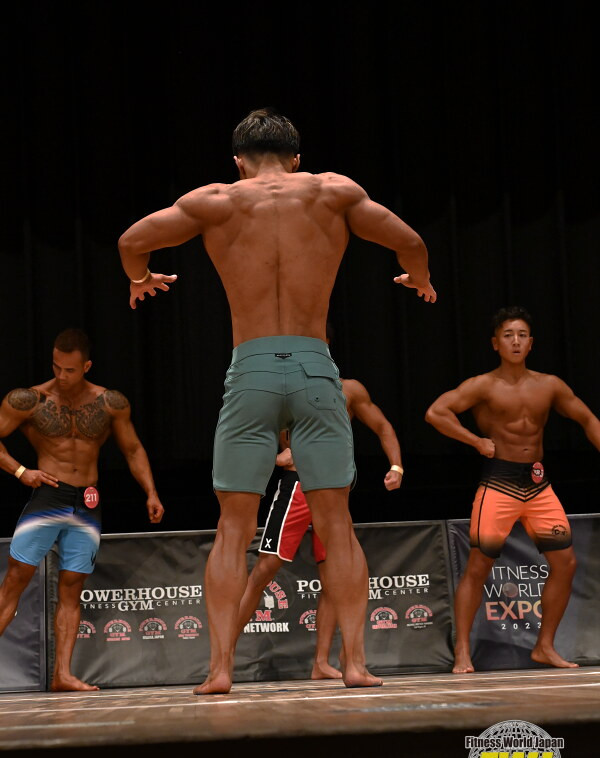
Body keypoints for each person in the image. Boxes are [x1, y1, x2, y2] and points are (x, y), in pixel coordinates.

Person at [118, 108, 436, 694]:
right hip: (316, 369)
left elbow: (131, 241)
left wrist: (140, 278)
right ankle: (356, 665)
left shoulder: (217, 200)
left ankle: (219, 670)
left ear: (238, 162)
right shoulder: (333, 192)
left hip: (252, 372)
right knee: (337, 525)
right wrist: (417, 277)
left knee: (232, 529)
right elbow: (411, 242)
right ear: (296, 159)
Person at [425, 306, 600, 673]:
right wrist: (475, 441)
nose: (516, 341)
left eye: (522, 335)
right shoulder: (483, 385)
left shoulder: (549, 385)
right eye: (508, 335)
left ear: (531, 343)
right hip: (498, 484)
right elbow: (436, 412)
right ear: (496, 343)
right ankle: (462, 652)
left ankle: (544, 646)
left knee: (566, 563)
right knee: (479, 565)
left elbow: (587, 419)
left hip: (538, 485)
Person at [0, 329, 164, 691]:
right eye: (56, 367)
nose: (62, 376)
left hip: (87, 504)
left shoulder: (110, 403)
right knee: (15, 580)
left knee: (72, 587)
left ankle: (63, 675)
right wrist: (22, 471)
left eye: (70, 370)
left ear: (87, 366)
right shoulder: (29, 400)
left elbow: (133, 449)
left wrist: (151, 492)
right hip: (48, 496)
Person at [238, 376, 403, 680]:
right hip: (298, 487)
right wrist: (275, 456)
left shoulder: (349, 389)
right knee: (264, 571)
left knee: (334, 578)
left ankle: (321, 663)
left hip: (334, 491)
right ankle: (222, 657)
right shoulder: (283, 385)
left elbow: (382, 426)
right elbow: (248, 431)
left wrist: (396, 466)